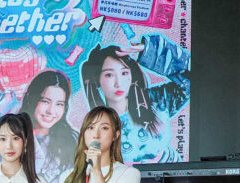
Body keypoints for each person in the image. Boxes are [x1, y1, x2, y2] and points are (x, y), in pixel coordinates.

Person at [81, 37, 189, 168]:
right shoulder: (94, 125)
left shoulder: (155, 100)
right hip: (126, 180)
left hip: (172, 177)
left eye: (124, 73)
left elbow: (191, 77)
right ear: (97, 79)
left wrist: (150, 51)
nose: (118, 83)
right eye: (109, 75)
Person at [18, 70, 78, 183]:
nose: (51, 111)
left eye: (59, 104)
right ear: (31, 98)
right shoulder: (14, 136)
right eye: (45, 101)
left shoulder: (73, 139)